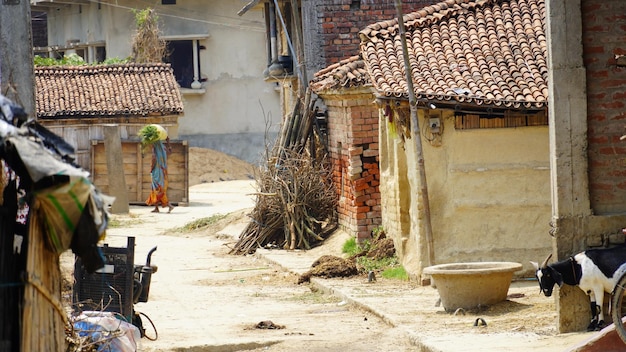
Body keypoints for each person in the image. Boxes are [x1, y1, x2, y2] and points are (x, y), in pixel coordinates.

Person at [144, 128, 174, 213]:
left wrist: (151, 168)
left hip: (157, 171)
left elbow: (153, 158)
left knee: (157, 189)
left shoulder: (155, 147)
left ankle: (169, 205)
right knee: (156, 188)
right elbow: (170, 152)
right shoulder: (164, 147)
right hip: (163, 172)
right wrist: (168, 142)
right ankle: (156, 208)